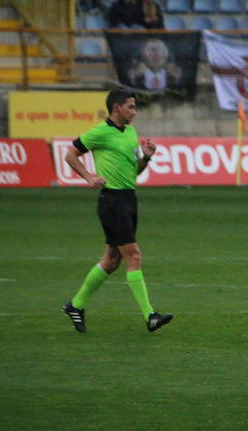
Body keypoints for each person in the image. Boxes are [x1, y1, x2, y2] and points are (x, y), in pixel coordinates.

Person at [61, 87, 173, 334]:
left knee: (111, 261)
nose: (134, 111)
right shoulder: (100, 132)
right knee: (134, 256)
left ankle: (76, 305)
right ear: (116, 108)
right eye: (131, 106)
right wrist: (88, 176)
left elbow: (135, 173)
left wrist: (146, 157)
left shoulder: (131, 133)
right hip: (111, 201)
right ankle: (150, 316)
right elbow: (70, 154)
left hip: (129, 199)